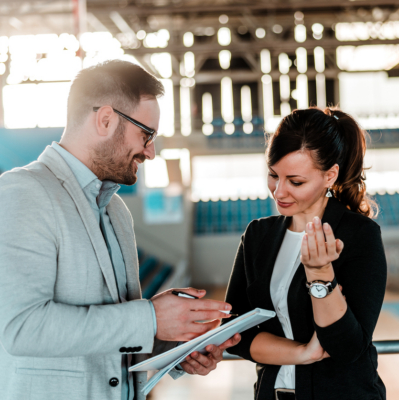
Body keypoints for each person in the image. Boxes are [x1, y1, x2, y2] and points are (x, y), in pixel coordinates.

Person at [0, 60, 240, 400]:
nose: (151, 152)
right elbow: (22, 328)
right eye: (147, 134)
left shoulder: (116, 210)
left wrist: (173, 344)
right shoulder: (23, 193)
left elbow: (115, 339)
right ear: (106, 119)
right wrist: (151, 319)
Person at [225, 107, 387, 400]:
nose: (279, 191)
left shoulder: (359, 235)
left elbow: (348, 347)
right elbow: (234, 333)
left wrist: (320, 276)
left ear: (330, 176)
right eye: (273, 175)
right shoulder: (257, 236)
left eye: (295, 182)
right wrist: (302, 353)